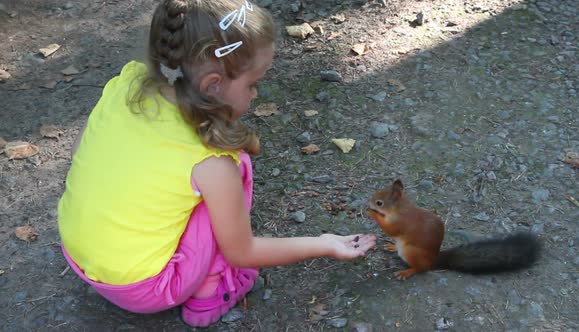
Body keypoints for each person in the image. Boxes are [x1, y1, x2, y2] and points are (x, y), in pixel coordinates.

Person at [57, 0, 376, 327]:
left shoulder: (126, 83)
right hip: (144, 289)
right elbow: (243, 252)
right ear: (212, 85)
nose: (255, 94)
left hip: (76, 250)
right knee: (234, 169)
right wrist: (323, 244)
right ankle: (211, 290)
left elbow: (81, 156)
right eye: (252, 84)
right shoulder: (210, 160)